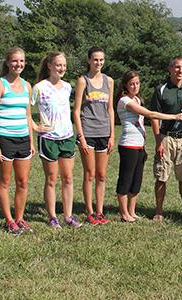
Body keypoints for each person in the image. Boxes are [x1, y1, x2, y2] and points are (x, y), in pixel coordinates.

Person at [116, 71, 182, 222]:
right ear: (125, 86)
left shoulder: (137, 100)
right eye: (132, 84)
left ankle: (131, 211)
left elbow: (140, 123)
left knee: (136, 181)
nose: (135, 86)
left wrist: (145, 146)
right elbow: (150, 114)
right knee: (125, 180)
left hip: (139, 146)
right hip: (128, 145)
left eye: (137, 83)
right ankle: (124, 213)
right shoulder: (125, 101)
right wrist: (174, 116)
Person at [0, 47, 35, 234]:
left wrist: (31, 141)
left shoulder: (27, 86)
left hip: (23, 138)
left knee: (23, 182)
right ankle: (9, 221)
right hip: (4, 138)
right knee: (5, 181)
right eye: (15, 61)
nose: (19, 64)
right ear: (8, 62)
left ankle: (20, 218)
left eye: (22, 61)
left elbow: (27, 115)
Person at [33, 51, 82, 229]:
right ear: (50, 66)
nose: (61, 68)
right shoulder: (39, 87)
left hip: (67, 137)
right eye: (58, 65)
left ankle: (68, 216)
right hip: (48, 139)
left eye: (63, 65)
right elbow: (25, 108)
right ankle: (53, 217)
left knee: (68, 178)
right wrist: (34, 126)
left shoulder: (68, 86)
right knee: (51, 179)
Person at [150, 56, 182, 222]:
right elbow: (154, 117)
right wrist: (158, 141)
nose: (180, 71)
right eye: (177, 67)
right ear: (170, 69)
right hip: (166, 138)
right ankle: (159, 212)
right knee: (161, 176)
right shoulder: (162, 89)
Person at [73, 46, 115, 225]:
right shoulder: (83, 81)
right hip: (88, 131)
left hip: (104, 132)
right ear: (89, 60)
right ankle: (90, 211)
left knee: (102, 175)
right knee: (89, 174)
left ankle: (100, 211)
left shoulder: (109, 81)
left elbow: (110, 109)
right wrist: (81, 136)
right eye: (95, 59)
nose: (98, 63)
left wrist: (112, 134)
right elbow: (76, 111)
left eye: (101, 60)